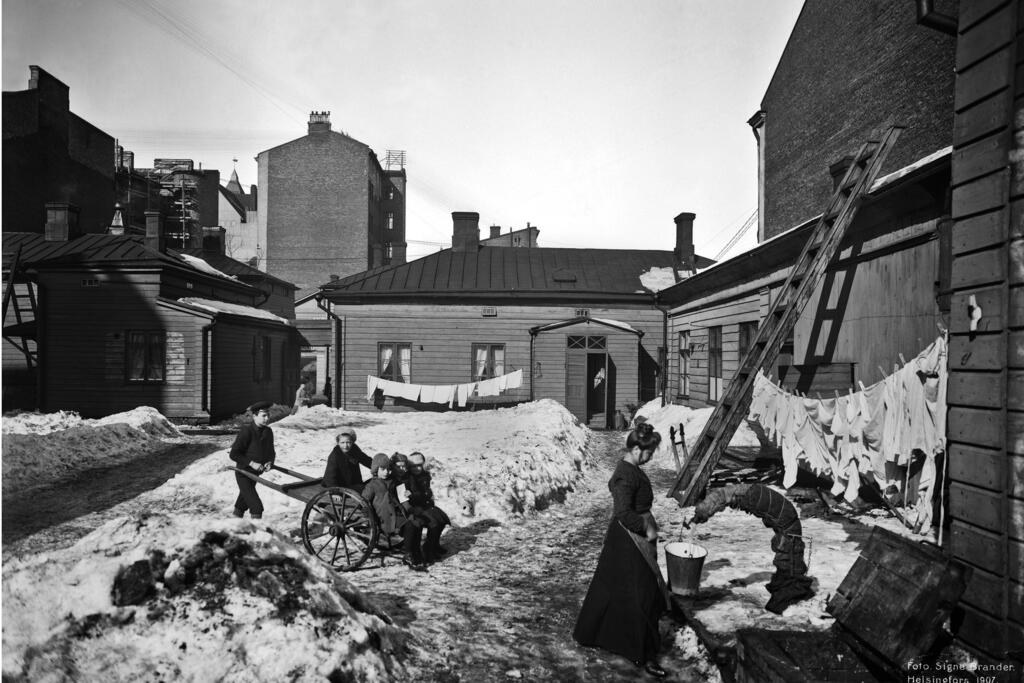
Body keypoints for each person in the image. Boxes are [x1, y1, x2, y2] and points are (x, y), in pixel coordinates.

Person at [573, 422, 669, 678]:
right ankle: (644, 653)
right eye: (649, 453)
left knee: (621, 590)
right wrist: (646, 528)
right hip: (629, 541)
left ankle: (609, 635)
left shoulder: (631, 468)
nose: (650, 457)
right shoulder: (625, 475)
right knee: (643, 593)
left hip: (631, 539)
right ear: (637, 449)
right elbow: (623, 513)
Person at [687, 483, 814, 614]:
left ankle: (790, 584)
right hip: (784, 514)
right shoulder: (739, 492)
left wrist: (700, 515)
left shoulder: (736, 494)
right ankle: (787, 579)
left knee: (788, 549)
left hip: (787, 518)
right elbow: (719, 499)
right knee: (788, 547)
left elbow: (718, 499)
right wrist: (701, 515)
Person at [362, 453, 427, 571]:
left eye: (388, 469)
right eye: (382, 469)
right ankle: (408, 554)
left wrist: (409, 509)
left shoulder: (393, 481)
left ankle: (416, 551)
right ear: (376, 470)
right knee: (410, 525)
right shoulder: (372, 485)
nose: (386, 472)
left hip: (397, 513)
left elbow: (402, 498)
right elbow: (363, 501)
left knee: (418, 522)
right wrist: (370, 518)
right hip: (384, 518)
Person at [228, 401, 276, 519]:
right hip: (244, 473)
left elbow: (271, 452)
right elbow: (234, 454)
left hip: (255, 474)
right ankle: (256, 535)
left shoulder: (268, 432)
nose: (267, 418)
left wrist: (270, 462)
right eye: (263, 415)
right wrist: (252, 463)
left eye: (268, 415)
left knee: (242, 502)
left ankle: (234, 525)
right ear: (254, 416)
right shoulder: (247, 431)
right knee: (256, 506)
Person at [406, 451, 451, 562]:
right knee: (434, 522)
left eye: (419, 466)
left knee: (442, 519)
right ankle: (428, 549)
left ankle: (434, 543)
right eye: (414, 466)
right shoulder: (410, 478)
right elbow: (414, 496)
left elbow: (427, 492)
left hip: (426, 504)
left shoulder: (424, 475)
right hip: (417, 507)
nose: (417, 469)